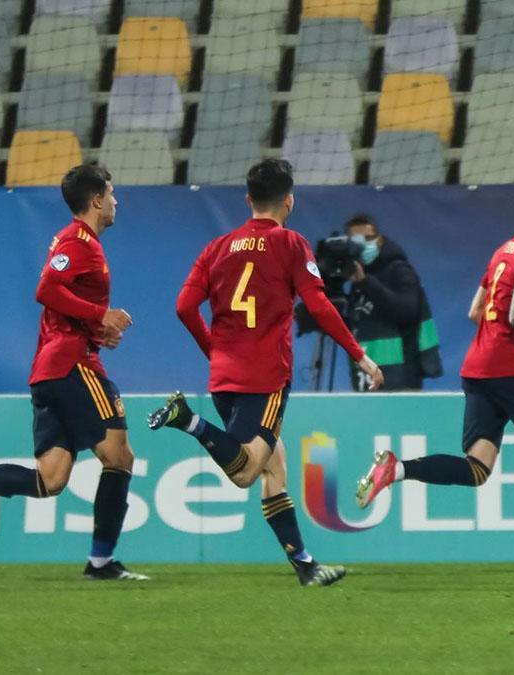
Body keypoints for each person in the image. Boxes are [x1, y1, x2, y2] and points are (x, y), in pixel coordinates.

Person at [353, 179, 514, 575]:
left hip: (479, 367)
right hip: (507, 366)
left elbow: (478, 310)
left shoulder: (506, 249)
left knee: (477, 467)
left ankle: (397, 468)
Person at [146, 159, 383, 586]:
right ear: (289, 200)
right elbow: (318, 304)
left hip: (224, 376)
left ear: (248, 200)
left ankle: (306, 567)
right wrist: (359, 354)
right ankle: (188, 420)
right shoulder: (291, 244)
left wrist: (214, 351)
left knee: (276, 465)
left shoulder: (216, 247)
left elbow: (183, 307)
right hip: (267, 377)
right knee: (246, 472)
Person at [0, 165, 146, 580]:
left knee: (51, 478)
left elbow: (63, 305)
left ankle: (100, 563)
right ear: (96, 200)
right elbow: (46, 290)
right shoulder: (80, 241)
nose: (115, 201)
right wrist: (102, 314)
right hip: (71, 365)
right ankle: (101, 564)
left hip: (51, 368)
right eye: (111, 193)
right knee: (120, 456)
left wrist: (99, 330)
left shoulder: (73, 240)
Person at [343, 213, 442, 391]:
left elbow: (406, 312)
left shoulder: (399, 270)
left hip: (401, 375)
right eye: (357, 241)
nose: (364, 244)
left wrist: (366, 282)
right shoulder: (357, 276)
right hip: (366, 374)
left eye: (369, 238)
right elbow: (358, 322)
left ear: (380, 240)